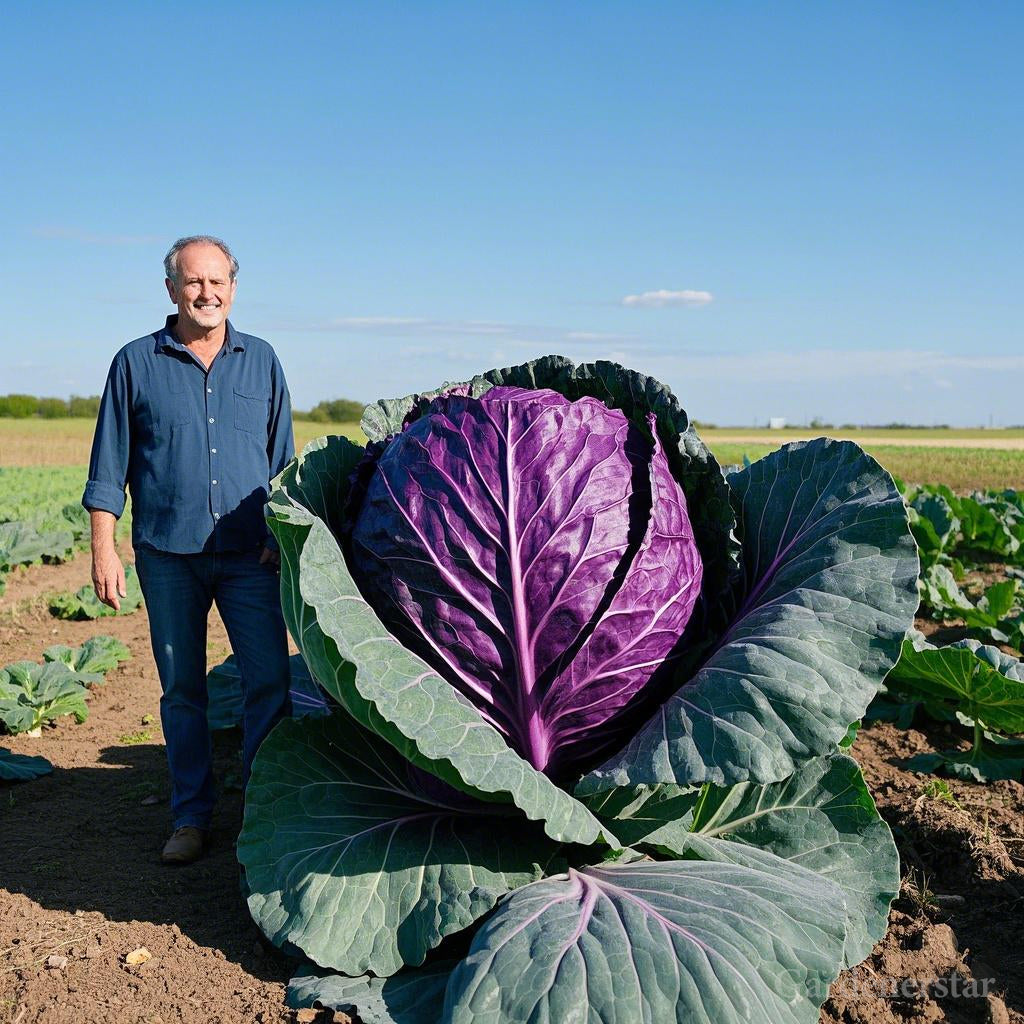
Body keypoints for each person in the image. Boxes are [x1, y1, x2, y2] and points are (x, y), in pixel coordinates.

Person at [83, 235, 295, 865]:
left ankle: (264, 812)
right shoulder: (134, 362)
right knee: (182, 692)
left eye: (219, 282)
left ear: (234, 286)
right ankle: (191, 817)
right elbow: (108, 465)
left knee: (269, 682)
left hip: (249, 557)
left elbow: (283, 462)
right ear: (172, 289)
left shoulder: (262, 361)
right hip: (167, 555)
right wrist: (105, 547)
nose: (208, 294)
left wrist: (282, 538)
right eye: (194, 283)